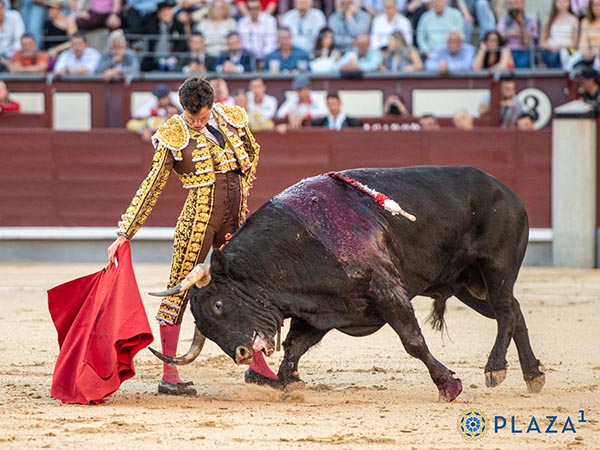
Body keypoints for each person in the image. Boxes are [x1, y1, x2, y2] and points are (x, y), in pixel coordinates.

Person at [108, 77, 277, 395]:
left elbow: (252, 152)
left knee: (246, 290)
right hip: (197, 222)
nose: (197, 124)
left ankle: (258, 366)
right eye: (191, 117)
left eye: (201, 118)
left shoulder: (231, 117)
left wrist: (240, 186)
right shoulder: (174, 132)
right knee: (178, 290)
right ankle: (169, 374)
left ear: (212, 107)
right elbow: (151, 186)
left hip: (233, 222)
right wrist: (125, 232)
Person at [140, 0, 189, 72]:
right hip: (154, 58)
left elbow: (183, 44)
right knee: (144, 66)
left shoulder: (178, 25)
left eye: (169, 11)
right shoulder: (152, 24)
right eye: (164, 12)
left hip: (173, 58)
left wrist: (174, 57)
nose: (167, 14)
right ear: (159, 14)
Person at [497, 0, 539, 68]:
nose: (514, 7)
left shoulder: (532, 20)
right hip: (507, 51)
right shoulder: (503, 20)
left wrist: (521, 24)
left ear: (523, 4)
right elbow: (499, 39)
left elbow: (527, 41)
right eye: (511, 4)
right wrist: (510, 34)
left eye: (516, 3)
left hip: (525, 51)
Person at [237, 0, 277, 67]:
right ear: (247, 9)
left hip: (266, 57)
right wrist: (252, 59)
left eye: (256, 8)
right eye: (251, 9)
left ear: (260, 8)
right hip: (248, 58)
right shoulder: (242, 22)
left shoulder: (269, 20)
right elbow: (242, 44)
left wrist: (263, 59)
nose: (254, 11)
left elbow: (271, 43)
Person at [540, 0, 579, 68]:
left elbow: (575, 43)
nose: (562, 4)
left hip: (568, 50)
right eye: (560, 2)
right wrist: (551, 47)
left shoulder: (574, 20)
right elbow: (542, 42)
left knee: (564, 55)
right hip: (551, 50)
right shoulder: (548, 19)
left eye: (565, 2)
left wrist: (562, 46)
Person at [42, 0, 77, 69]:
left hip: (65, 54)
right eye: (49, 8)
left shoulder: (68, 21)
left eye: (52, 8)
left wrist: (56, 50)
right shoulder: (47, 23)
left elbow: (74, 41)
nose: (50, 10)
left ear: (59, 8)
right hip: (49, 54)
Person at [0, 1, 25, 71]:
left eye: (1, 8)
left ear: (5, 8)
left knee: (16, 67)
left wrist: (13, 56)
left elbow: (19, 38)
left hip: (13, 55)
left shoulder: (15, 16)